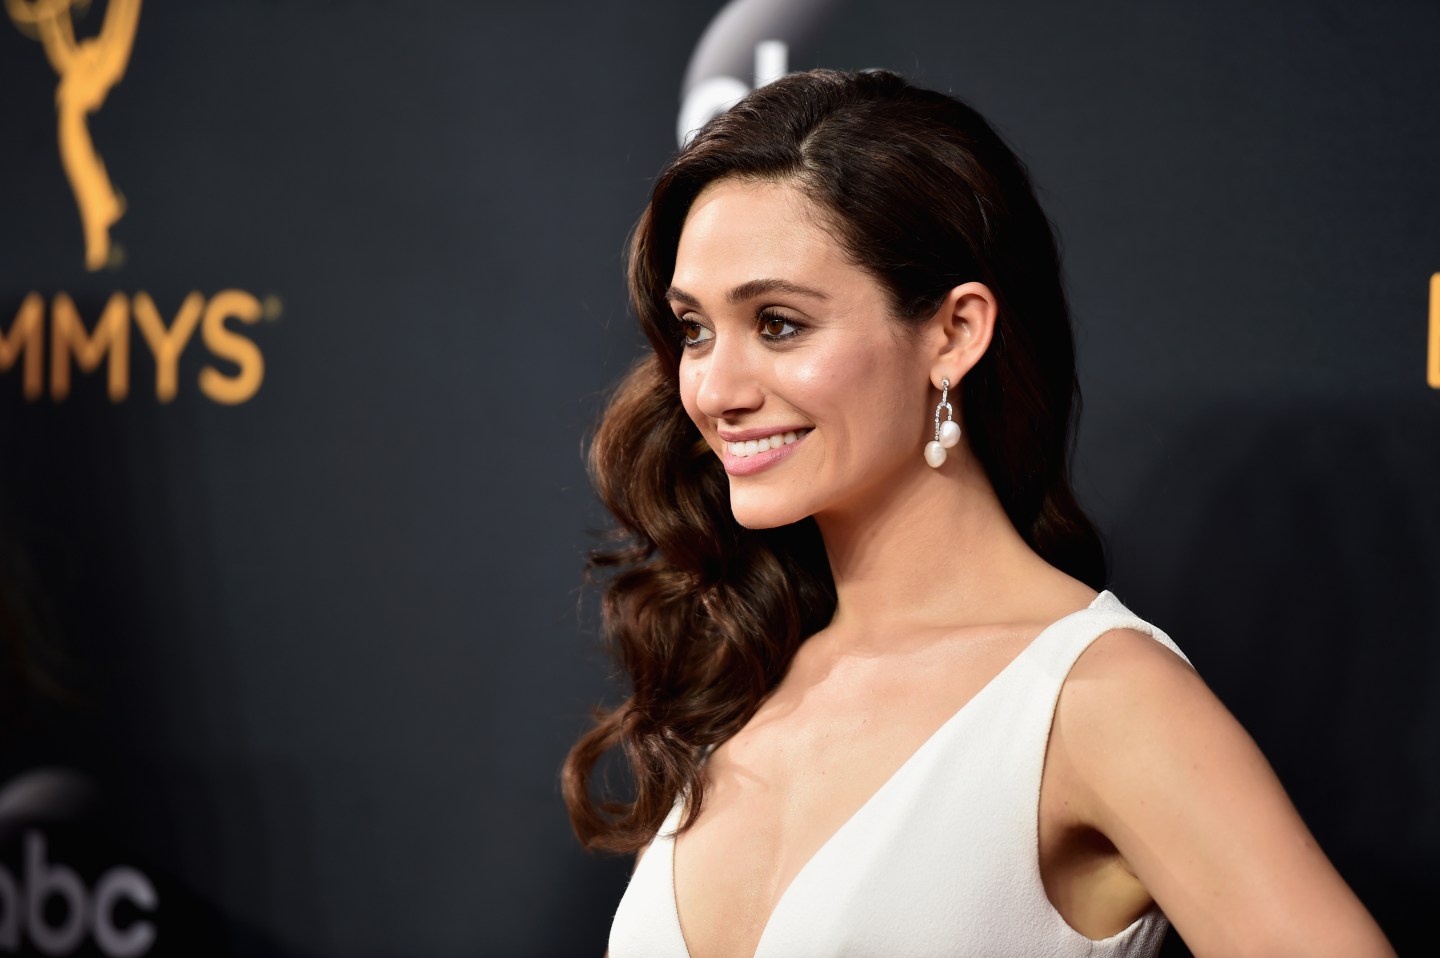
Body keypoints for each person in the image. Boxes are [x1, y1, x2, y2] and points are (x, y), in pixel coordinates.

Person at [563, 68, 1393, 957]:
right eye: (694, 330)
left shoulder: (1096, 700)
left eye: (778, 324)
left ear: (955, 332)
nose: (714, 389)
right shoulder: (745, 674)